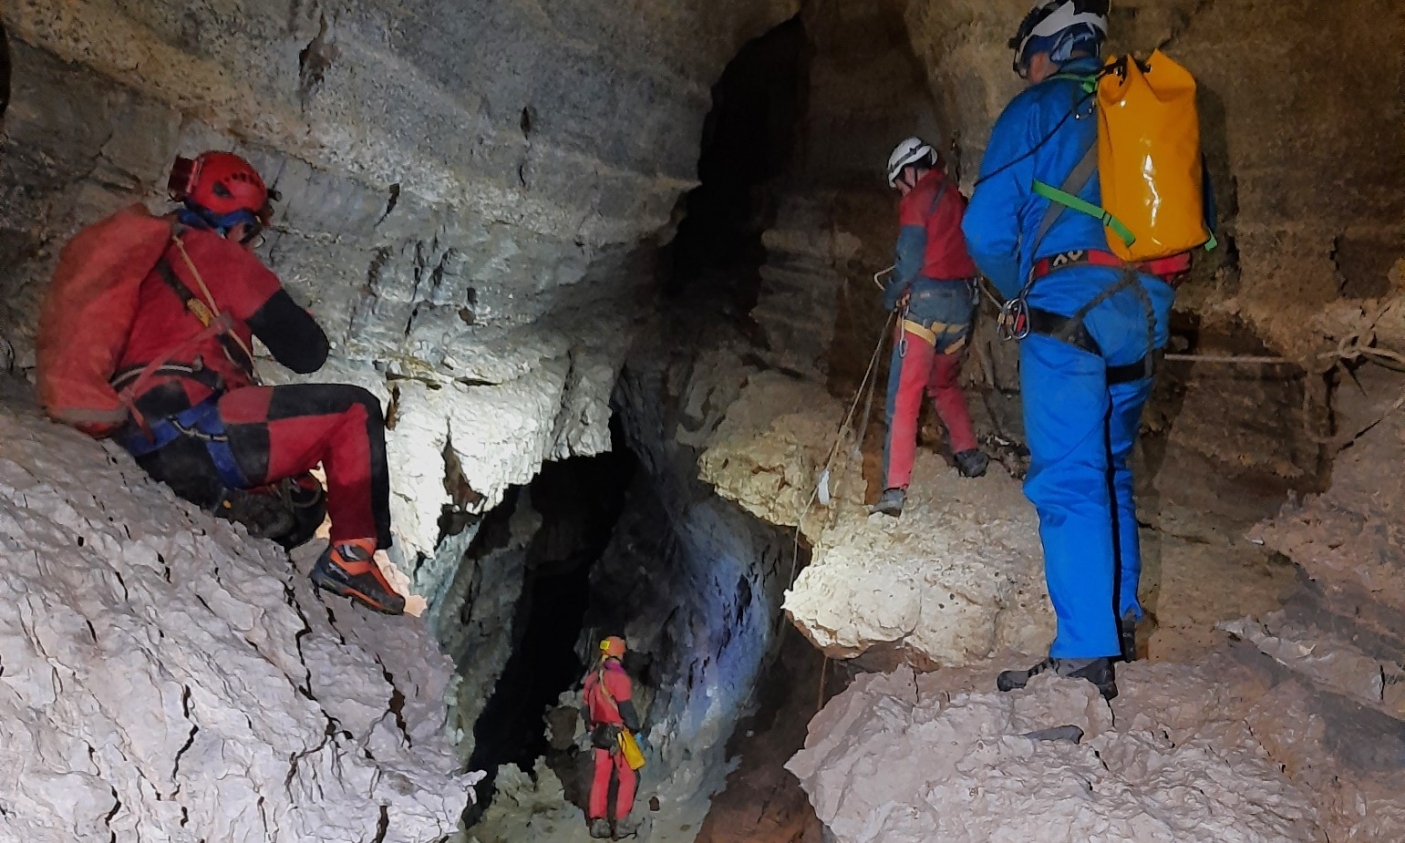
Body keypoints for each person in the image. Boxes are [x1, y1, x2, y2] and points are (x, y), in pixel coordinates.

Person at [963, 0, 1207, 700]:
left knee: (1068, 476)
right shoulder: (1144, 109)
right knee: (1113, 467)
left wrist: (1020, 292)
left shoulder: (1034, 110)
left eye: (1026, 59)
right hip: (1143, 315)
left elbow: (984, 230)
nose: (1026, 72)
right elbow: (1192, 222)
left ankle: (1084, 655)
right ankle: (1120, 621)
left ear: (1046, 51)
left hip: (1063, 309)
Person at [111, 151, 405, 615]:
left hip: (139, 430)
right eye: (251, 228)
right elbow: (308, 353)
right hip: (191, 428)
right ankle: (351, 559)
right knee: (355, 411)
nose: (249, 239)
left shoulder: (156, 254)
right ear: (240, 222)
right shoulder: (222, 256)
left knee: (305, 499)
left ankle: (228, 504)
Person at [873, 138, 990, 518]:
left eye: (898, 183)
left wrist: (891, 296)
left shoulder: (917, 199)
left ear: (909, 171)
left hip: (923, 310)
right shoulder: (957, 197)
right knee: (942, 384)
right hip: (962, 308)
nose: (899, 192)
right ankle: (969, 454)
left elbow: (908, 259)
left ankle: (894, 490)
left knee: (904, 400)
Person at [581, 636, 643, 839]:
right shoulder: (619, 677)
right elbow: (626, 709)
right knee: (628, 776)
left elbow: (585, 710)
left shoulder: (592, 678)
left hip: (599, 734)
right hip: (618, 734)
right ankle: (622, 821)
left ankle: (598, 822)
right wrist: (635, 729)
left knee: (600, 777)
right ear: (619, 653)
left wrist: (592, 730)